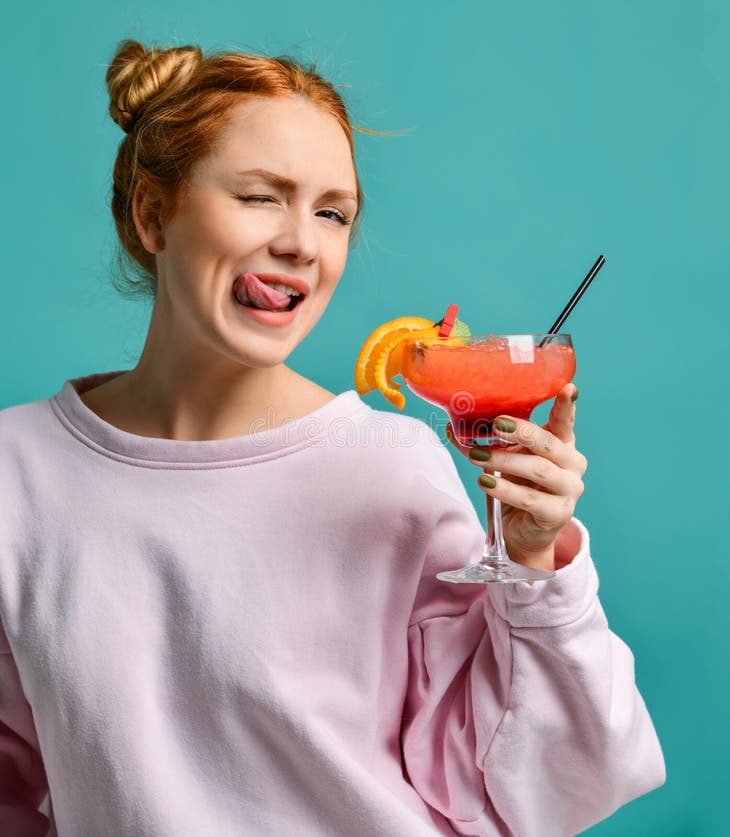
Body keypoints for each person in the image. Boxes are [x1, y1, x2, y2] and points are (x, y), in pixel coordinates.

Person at [0, 39, 665, 837]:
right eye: (259, 196)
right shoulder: (18, 473)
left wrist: (532, 565)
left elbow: (521, 789)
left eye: (332, 213)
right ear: (152, 213)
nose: (301, 243)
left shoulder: (392, 470)